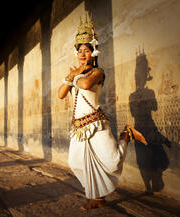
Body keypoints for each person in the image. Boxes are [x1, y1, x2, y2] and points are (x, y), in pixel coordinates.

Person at [58, 17, 148, 210]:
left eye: (87, 50)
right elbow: (60, 94)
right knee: (77, 162)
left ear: (93, 52)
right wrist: (70, 76)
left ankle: (127, 135)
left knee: (113, 161)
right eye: (80, 50)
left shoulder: (98, 72)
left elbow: (85, 84)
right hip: (79, 128)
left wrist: (76, 74)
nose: (83, 54)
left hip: (96, 123)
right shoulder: (73, 75)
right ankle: (97, 198)